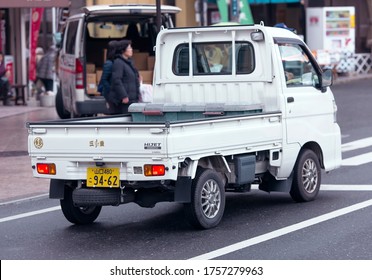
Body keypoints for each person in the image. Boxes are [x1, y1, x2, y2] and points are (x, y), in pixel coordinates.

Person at [107, 40, 141, 114]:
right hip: (124, 101)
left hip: (132, 99)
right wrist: (123, 96)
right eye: (129, 48)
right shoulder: (118, 63)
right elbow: (116, 80)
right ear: (123, 50)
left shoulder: (129, 62)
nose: (131, 49)